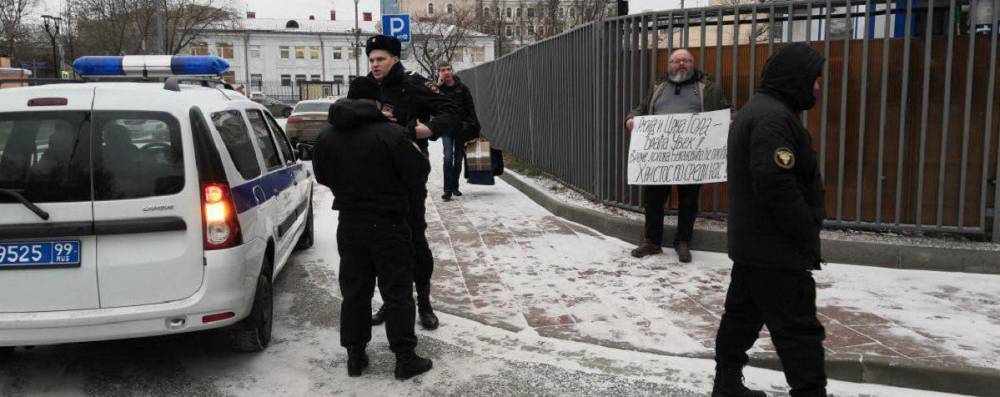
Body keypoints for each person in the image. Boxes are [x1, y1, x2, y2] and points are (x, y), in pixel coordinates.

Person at [712, 43, 828, 397]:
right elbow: (776, 184)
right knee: (798, 331)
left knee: (741, 319)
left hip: (755, 246)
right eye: (815, 79)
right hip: (775, 250)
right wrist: (805, 232)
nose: (819, 87)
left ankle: (727, 385)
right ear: (797, 79)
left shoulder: (761, 110)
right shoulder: (773, 119)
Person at [312, 77, 434, 380]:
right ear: (377, 103)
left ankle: (355, 356)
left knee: (354, 290)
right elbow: (419, 172)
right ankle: (405, 358)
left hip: (350, 223)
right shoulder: (390, 134)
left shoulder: (326, 135)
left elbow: (322, 175)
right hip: (389, 223)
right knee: (397, 291)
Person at [365, 34, 460, 331]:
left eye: (380, 58)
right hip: (377, 178)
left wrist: (429, 128)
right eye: (371, 59)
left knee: (415, 240)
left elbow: (450, 109)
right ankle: (390, 301)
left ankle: (425, 304)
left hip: (408, 177)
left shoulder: (413, 84)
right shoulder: (365, 88)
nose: (375, 64)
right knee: (384, 244)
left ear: (394, 58)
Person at [625, 49, 731, 263]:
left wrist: (728, 120)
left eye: (686, 60)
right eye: (677, 60)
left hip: (692, 155)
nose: (681, 64)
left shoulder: (708, 88)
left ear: (693, 64)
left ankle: (683, 242)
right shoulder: (658, 86)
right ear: (669, 64)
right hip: (659, 155)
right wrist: (632, 118)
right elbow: (642, 108)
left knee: (689, 200)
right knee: (653, 199)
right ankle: (652, 241)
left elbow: (726, 110)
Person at [436, 61, 481, 201]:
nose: (446, 72)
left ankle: (454, 186)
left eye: (448, 69)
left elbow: (470, 108)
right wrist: (437, 87)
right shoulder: (438, 90)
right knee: (448, 156)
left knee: (458, 158)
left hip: (461, 128)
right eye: (442, 70)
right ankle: (447, 190)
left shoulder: (462, 88)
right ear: (439, 73)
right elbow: (430, 104)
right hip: (446, 127)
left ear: (452, 70)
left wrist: (471, 125)